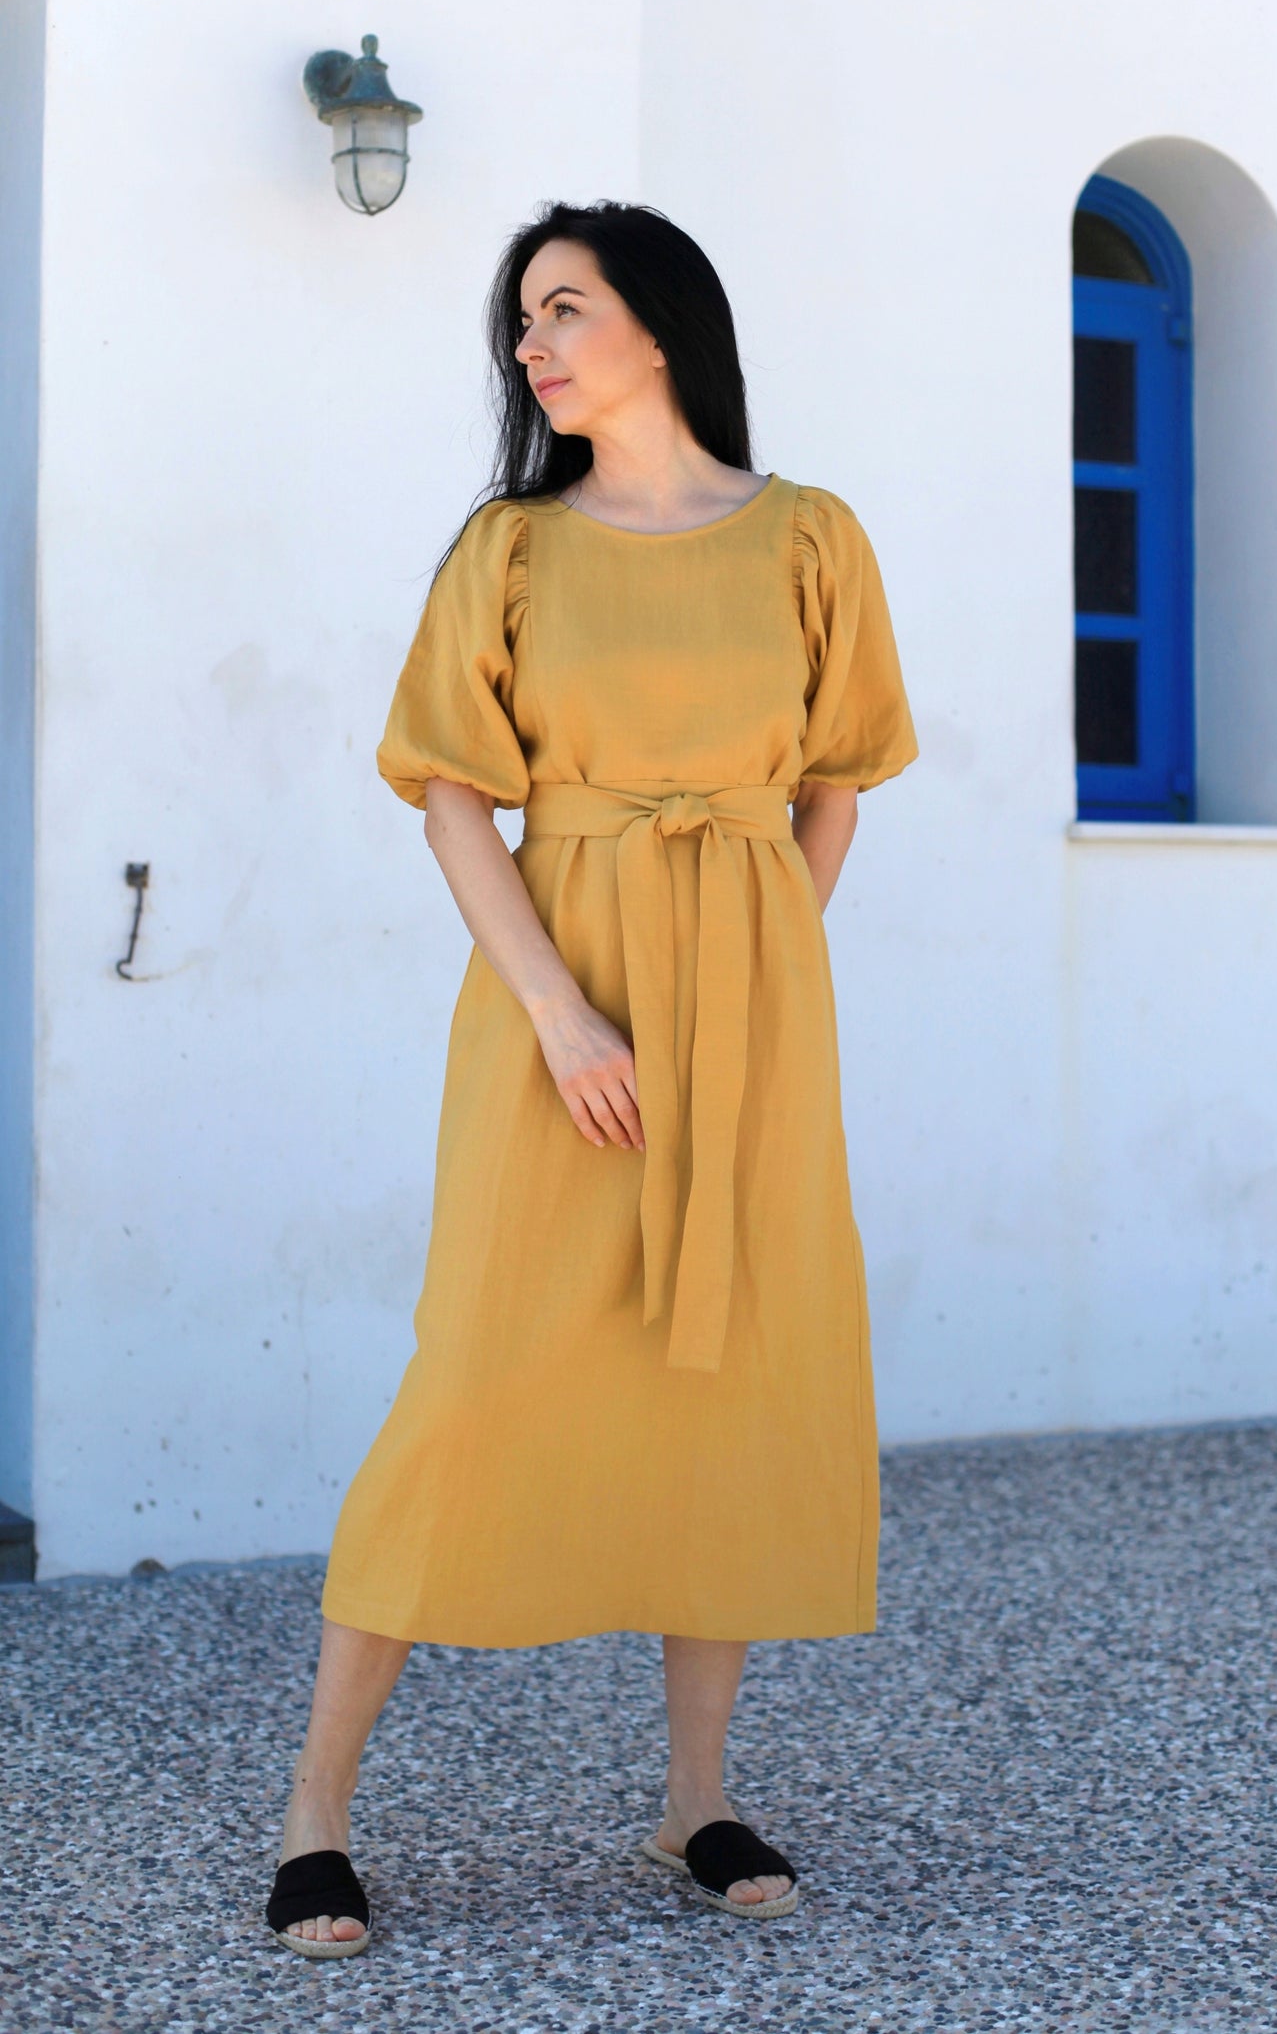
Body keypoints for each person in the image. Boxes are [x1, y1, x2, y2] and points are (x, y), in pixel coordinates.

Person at [264, 199, 919, 1957]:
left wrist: (757, 979)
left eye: (563, 308)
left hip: (751, 1018)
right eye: (522, 318)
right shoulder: (512, 548)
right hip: (554, 1013)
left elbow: (835, 785)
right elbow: (450, 798)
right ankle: (315, 1809)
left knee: (726, 1378)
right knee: (471, 1379)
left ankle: (694, 1796)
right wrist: (561, 1013)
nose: (531, 344)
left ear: (662, 322)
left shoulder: (810, 535)